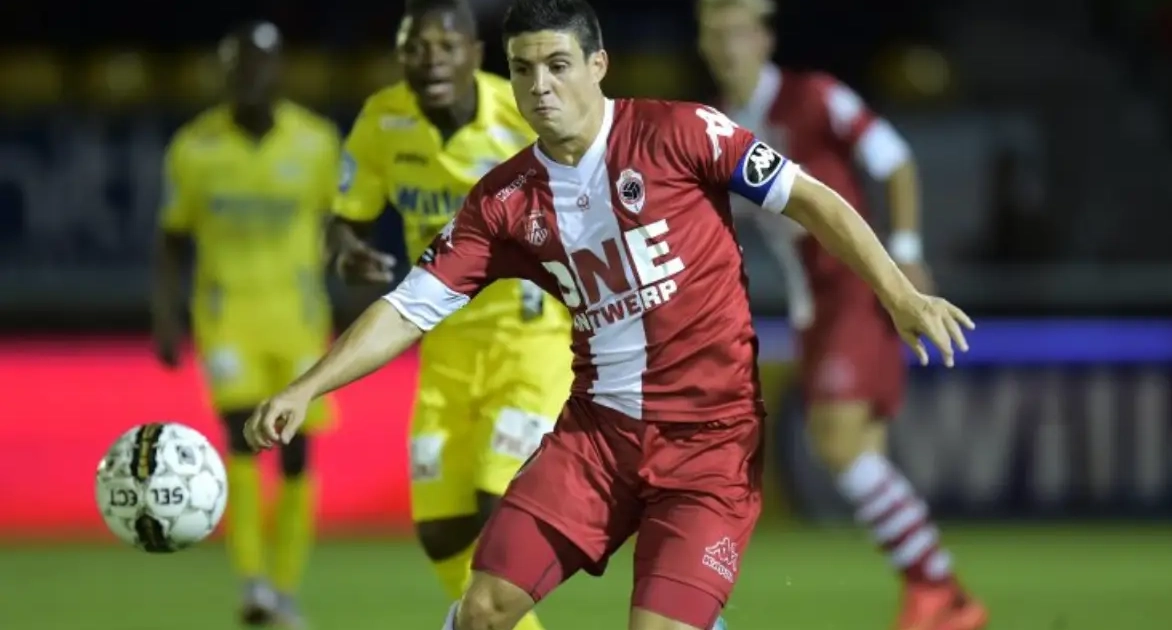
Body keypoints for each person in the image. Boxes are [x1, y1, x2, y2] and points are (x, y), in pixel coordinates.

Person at [244, 1, 973, 629]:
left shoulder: (683, 133)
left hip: (709, 446)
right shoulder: (502, 202)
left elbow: (810, 197)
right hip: (596, 442)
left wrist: (899, 292)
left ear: (598, 65)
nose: (539, 85)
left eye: (557, 65)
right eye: (523, 69)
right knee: (484, 607)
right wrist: (307, 388)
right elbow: (408, 308)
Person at [695, 1, 988, 629]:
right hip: (813, 304)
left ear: (764, 38)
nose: (726, 47)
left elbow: (894, 158)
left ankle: (939, 589)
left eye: (737, 33)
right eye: (713, 35)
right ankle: (938, 590)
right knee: (859, 456)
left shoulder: (814, 96)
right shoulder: (716, 124)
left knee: (837, 442)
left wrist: (906, 254)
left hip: (854, 288)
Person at [327, 3, 571, 630]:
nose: (430, 59)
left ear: (475, 54)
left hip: (531, 340)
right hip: (444, 344)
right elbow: (347, 221)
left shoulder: (520, 112)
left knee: (499, 511)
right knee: (442, 531)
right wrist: (348, 251)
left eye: (445, 45)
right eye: (416, 47)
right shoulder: (383, 121)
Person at [150, 21, 340, 628]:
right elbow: (172, 237)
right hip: (227, 316)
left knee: (296, 451)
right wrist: (164, 313)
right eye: (241, 65)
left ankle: (284, 586)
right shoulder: (194, 147)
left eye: (263, 64)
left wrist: (356, 269)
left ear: (279, 71)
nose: (252, 76)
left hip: (299, 319)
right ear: (226, 74)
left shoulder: (315, 142)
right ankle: (253, 581)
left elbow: (341, 220)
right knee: (242, 436)